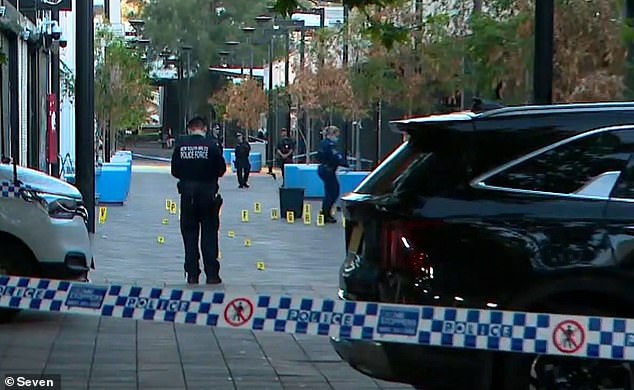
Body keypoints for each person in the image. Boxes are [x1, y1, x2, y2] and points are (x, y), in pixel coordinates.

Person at [171, 116, 226, 285]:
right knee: (209, 235)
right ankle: (212, 274)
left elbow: (175, 170)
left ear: (189, 129)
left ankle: (192, 273)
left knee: (189, 236)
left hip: (188, 196)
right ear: (205, 129)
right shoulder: (212, 146)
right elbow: (221, 169)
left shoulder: (181, 146)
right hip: (208, 195)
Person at [316, 125, 348, 223]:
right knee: (333, 192)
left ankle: (326, 212)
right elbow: (336, 157)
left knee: (329, 191)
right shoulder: (329, 145)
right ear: (332, 134)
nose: (337, 138)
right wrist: (344, 163)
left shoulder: (323, 143)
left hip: (324, 169)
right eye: (336, 135)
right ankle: (325, 214)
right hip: (328, 170)